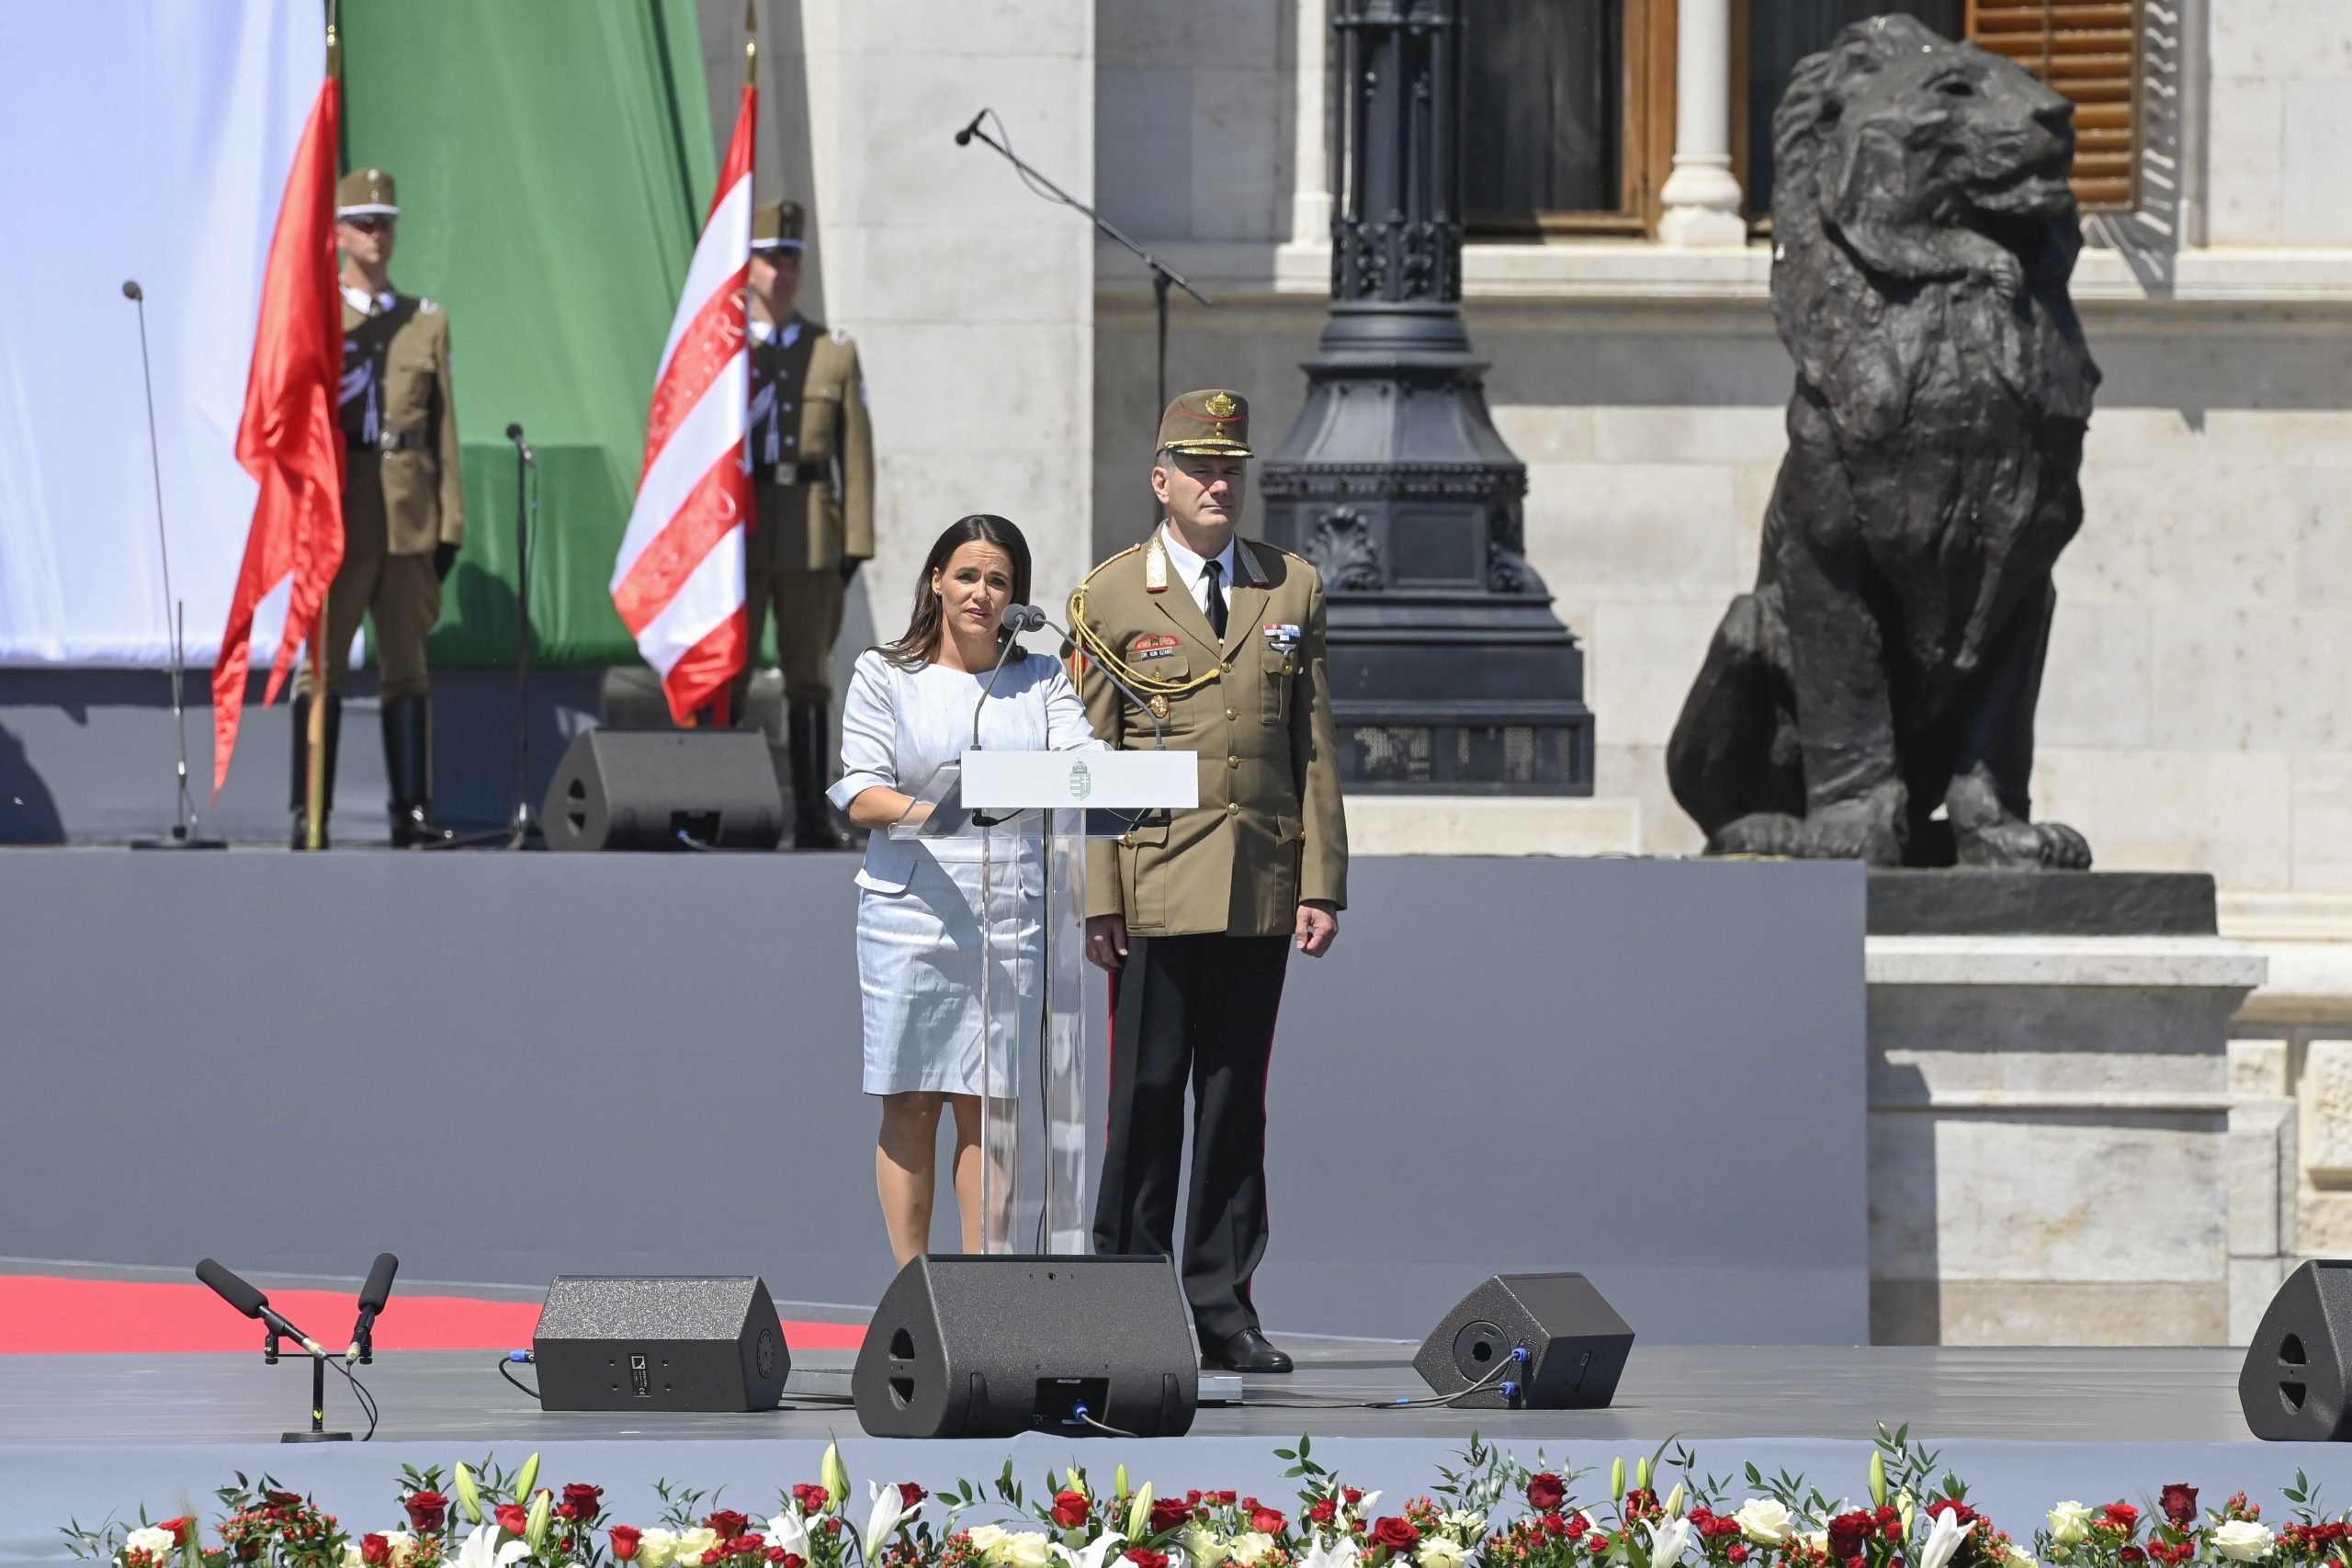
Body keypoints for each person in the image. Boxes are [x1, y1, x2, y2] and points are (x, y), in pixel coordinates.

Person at [1068, 389, 1349, 1374]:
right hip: (1152, 884)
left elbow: (1311, 744)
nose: (1216, 482)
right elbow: (1089, 756)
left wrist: (1322, 880)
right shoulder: (1111, 596)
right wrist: (1098, 896)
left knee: (1234, 1100)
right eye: (1196, 467)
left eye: (1229, 466)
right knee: (1144, 1096)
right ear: (1161, 482)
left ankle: (1222, 1306)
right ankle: (1127, 1304)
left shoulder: (1290, 587)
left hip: (1258, 883)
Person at [830, 514, 1102, 1266]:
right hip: (912, 913)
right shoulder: (885, 672)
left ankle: (985, 1294)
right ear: (936, 582)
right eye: (969, 575)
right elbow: (860, 791)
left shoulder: (1039, 676)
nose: (982, 593)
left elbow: (1083, 762)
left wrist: (1120, 766)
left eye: (1000, 581)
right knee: (912, 1099)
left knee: (992, 1109)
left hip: (1009, 916)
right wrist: (934, 814)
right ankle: (913, 1291)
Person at [292, 166, 464, 849]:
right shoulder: (315, 315)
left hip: (408, 513)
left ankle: (410, 810)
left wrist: (450, 521)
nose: (377, 234)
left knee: (407, 668)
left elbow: (444, 429)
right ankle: (311, 811)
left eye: (385, 221)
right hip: (339, 513)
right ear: (335, 234)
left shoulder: (425, 320)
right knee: (322, 669)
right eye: (363, 222)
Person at [734, 197, 873, 849]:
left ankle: (814, 818)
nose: (781, 270)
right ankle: (727, 806)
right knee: (728, 673)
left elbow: (857, 455)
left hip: (813, 530)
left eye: (791, 257)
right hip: (740, 528)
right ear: (748, 265)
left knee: (809, 678)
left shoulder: (833, 352)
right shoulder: (724, 350)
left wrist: (855, 544)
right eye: (769, 257)